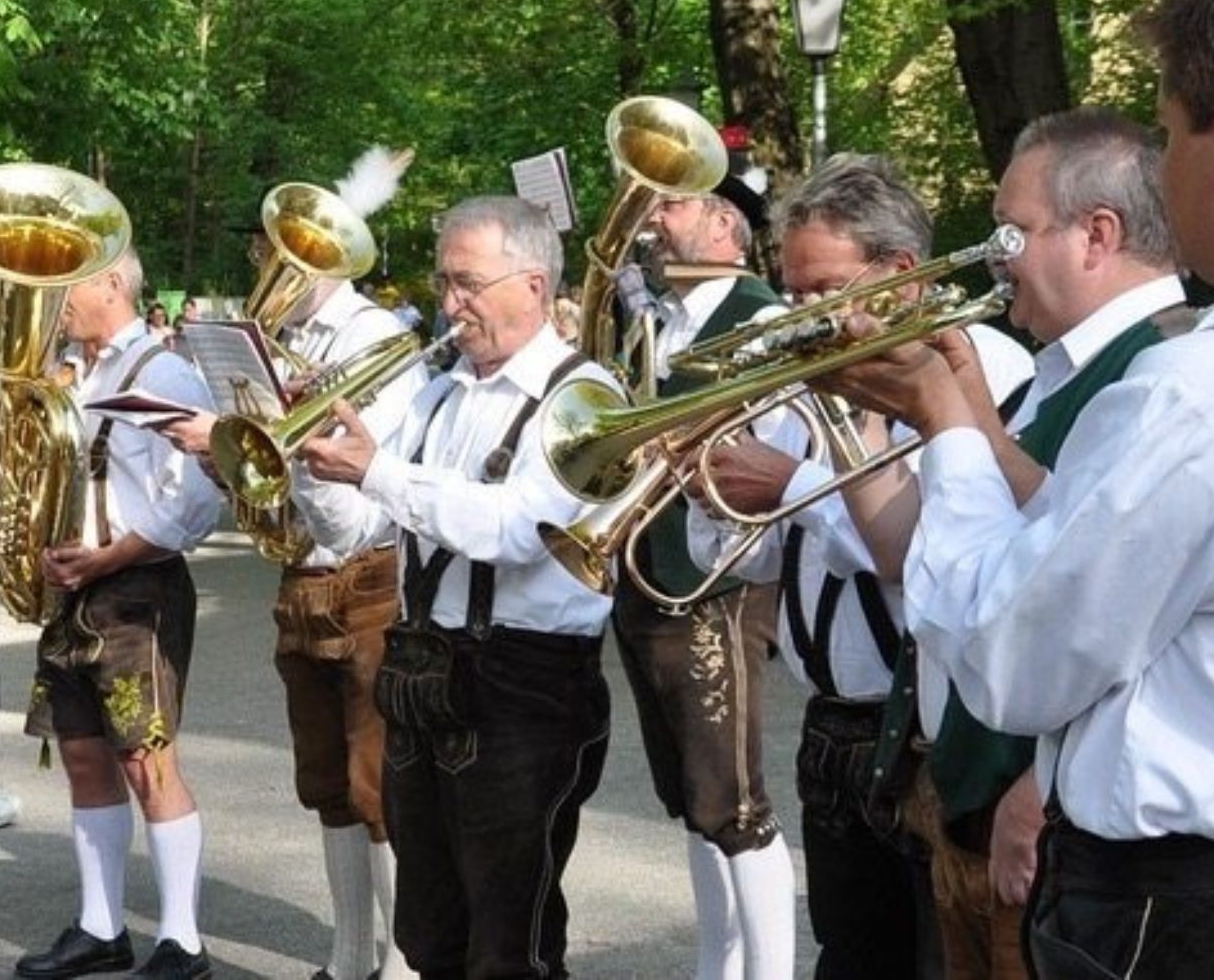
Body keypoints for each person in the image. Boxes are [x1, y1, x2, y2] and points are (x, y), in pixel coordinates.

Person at [817, 0, 1214, 977]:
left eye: (1169, 133)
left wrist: (948, 423)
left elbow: (1008, 663)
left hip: (1192, 910)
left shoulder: (1209, 386)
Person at [840, 109, 1184, 980]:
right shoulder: (1058, 369)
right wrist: (955, 410)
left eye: (1013, 231)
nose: (995, 256)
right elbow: (1042, 520)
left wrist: (1039, 787)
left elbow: (1123, 621)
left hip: (1038, 818)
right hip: (971, 800)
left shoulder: (1164, 370)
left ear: (1097, 236)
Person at [688, 155, 1032, 979]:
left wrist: (795, 483)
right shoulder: (805, 380)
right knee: (849, 958)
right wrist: (713, 492)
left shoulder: (979, 370)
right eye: (792, 291)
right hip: (831, 729)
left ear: (902, 274)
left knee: (932, 959)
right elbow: (750, 558)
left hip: (918, 731)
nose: (799, 315)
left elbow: (925, 554)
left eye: (822, 289)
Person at [296, 196, 619, 978]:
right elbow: (354, 532)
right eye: (444, 282)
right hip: (424, 672)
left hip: (526, 686)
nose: (449, 304)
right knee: (430, 931)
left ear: (535, 285)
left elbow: (513, 530)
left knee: (510, 941)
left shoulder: (587, 398)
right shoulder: (440, 394)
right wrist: (304, 463)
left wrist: (374, 468)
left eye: (467, 282)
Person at [165, 264, 423, 979]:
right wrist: (234, 462)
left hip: (367, 568)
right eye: (270, 252)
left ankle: (402, 961)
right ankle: (348, 955)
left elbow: (357, 503)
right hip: (302, 572)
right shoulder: (283, 339)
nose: (274, 268)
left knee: (376, 783)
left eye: (295, 254)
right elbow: (268, 480)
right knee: (326, 781)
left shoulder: (372, 335)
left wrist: (285, 441)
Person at [14, 247, 222, 980]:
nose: (52, 300)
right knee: (81, 755)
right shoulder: (81, 373)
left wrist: (108, 556)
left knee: (146, 759)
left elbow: (198, 500)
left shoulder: (163, 372)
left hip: (139, 591)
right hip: (79, 591)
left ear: (111, 283)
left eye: (64, 285)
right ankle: (101, 927)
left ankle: (182, 940)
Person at [612, 173, 794, 980]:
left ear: (727, 225)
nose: (654, 218)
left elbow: (779, 451)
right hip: (650, 571)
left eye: (673, 204)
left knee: (737, 804)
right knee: (691, 798)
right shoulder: (658, 319)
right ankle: (715, 968)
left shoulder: (764, 319)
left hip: (719, 578)